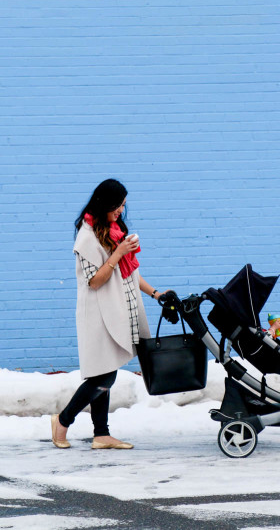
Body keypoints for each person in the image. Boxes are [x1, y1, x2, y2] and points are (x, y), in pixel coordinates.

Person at [51, 179, 168, 450]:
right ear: (105, 204)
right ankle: (63, 420)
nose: (121, 210)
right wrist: (117, 253)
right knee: (103, 376)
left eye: (123, 205)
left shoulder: (114, 231)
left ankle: (101, 434)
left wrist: (155, 294)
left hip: (118, 309)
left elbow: (130, 274)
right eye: (117, 205)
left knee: (105, 371)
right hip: (99, 314)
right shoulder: (87, 236)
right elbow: (95, 281)